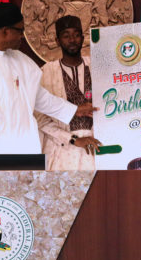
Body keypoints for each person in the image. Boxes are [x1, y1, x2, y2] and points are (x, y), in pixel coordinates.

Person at [0, 3, 95, 167]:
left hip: (23, 155)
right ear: (5, 31)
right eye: (20, 30)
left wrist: (74, 110)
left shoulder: (20, 60)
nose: (22, 36)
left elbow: (39, 98)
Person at [36, 15, 101, 170]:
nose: (72, 40)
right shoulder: (46, 72)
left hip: (98, 147)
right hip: (61, 152)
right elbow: (40, 119)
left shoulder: (98, 66)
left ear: (83, 38)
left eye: (76, 35)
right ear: (57, 41)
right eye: (66, 36)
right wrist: (73, 139)